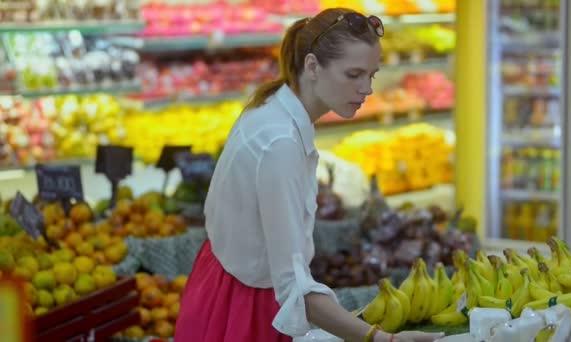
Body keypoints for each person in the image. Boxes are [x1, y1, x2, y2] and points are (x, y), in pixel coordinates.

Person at [175, 7, 445, 342]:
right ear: (313, 66)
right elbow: (295, 290)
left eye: (371, 75)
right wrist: (381, 339)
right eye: (354, 74)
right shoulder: (281, 143)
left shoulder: (272, 107)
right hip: (243, 307)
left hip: (225, 286)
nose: (367, 89)